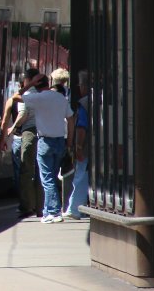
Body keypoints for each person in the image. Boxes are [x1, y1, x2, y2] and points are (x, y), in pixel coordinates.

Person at [10, 73, 74, 223]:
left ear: (37, 85)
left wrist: (29, 84)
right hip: (60, 141)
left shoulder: (38, 98)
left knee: (47, 178)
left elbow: (15, 97)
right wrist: (69, 142)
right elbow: (71, 119)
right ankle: (47, 211)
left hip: (45, 141)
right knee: (51, 176)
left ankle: (54, 212)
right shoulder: (60, 98)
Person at [3, 68, 40, 218]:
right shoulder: (44, 94)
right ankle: (40, 205)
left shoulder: (28, 95)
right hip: (43, 132)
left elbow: (21, 111)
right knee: (40, 172)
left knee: (26, 171)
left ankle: (27, 205)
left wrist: (13, 128)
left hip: (29, 132)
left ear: (28, 80)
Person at [63, 70, 90, 220]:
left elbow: (81, 127)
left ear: (83, 86)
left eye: (80, 85)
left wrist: (78, 147)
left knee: (80, 176)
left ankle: (75, 208)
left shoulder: (84, 103)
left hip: (87, 148)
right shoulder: (101, 99)